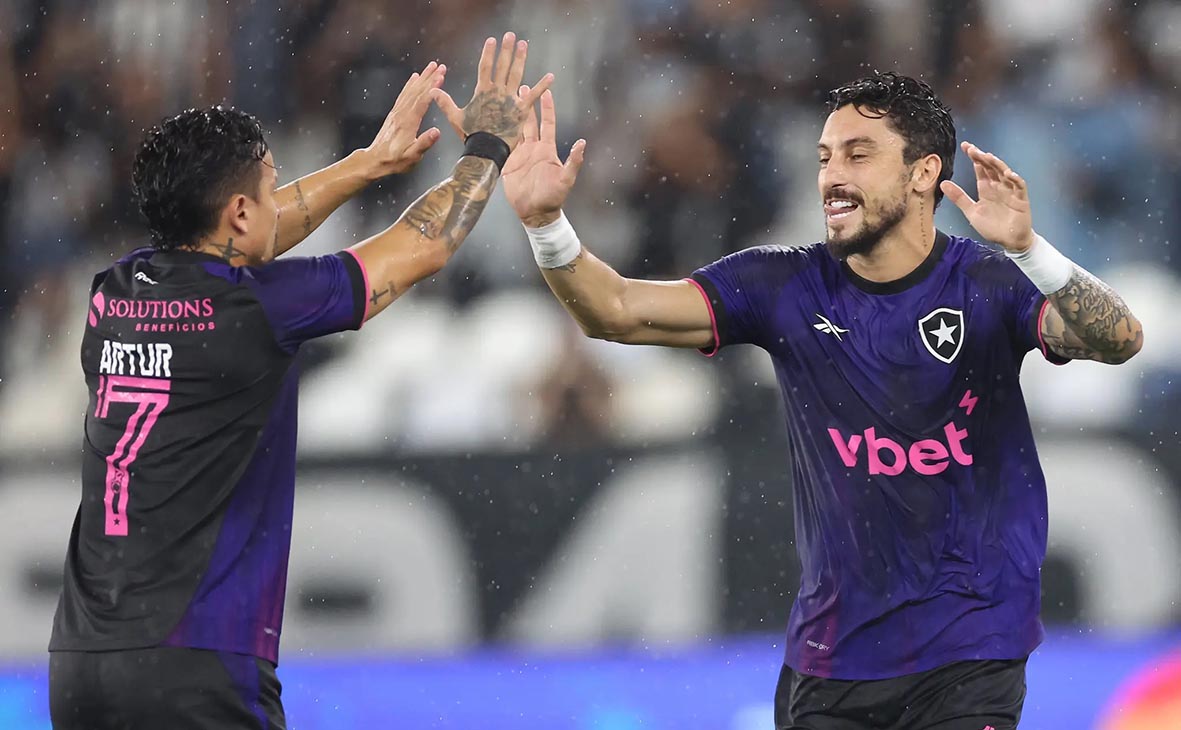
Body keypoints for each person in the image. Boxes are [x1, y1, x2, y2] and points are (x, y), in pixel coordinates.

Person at [499, 73, 1143, 730]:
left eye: (858, 155)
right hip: (830, 663)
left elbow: (1120, 339)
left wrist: (1030, 251)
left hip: (971, 655)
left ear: (923, 173)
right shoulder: (780, 283)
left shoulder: (987, 283)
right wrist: (546, 225)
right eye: (825, 157)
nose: (832, 176)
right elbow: (614, 311)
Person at [48, 32, 552, 730]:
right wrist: (488, 146)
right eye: (268, 186)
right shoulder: (261, 308)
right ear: (239, 211)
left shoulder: (113, 296)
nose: (277, 199)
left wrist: (366, 163)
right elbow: (422, 247)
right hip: (197, 662)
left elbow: (243, 234)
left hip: (80, 665)